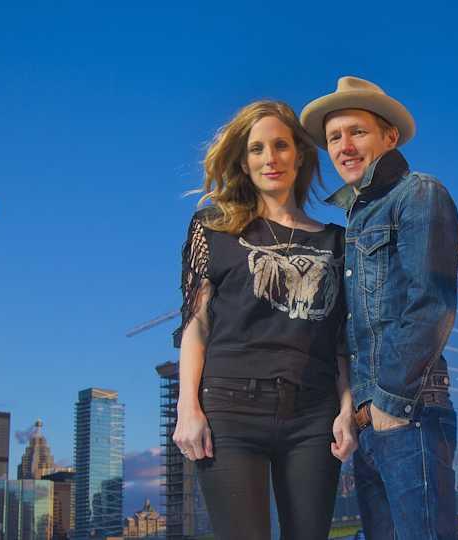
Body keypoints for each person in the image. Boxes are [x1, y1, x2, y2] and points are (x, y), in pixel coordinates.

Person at [171, 100, 357, 540]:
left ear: (300, 155)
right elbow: (196, 325)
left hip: (313, 414)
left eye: (280, 146)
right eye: (257, 149)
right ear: (243, 161)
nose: (270, 158)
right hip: (230, 409)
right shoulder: (212, 229)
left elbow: (340, 340)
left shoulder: (336, 241)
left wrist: (348, 408)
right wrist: (187, 407)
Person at [301, 77, 458, 540]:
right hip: (370, 424)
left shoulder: (418, 193)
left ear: (390, 136)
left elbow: (431, 302)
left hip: (411, 411)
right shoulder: (355, 221)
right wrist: (356, 413)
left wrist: (390, 405)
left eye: (357, 132)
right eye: (335, 137)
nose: (344, 146)